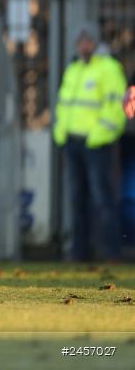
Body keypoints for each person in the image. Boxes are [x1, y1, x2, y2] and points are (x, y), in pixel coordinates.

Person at [53, 23, 127, 262]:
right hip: (72, 142)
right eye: (80, 41)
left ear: (95, 43)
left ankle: (111, 251)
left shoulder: (109, 68)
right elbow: (64, 105)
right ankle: (79, 252)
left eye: (88, 40)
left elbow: (116, 109)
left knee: (102, 198)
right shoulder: (74, 69)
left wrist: (97, 136)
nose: (84, 45)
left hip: (97, 144)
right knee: (77, 199)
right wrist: (60, 133)